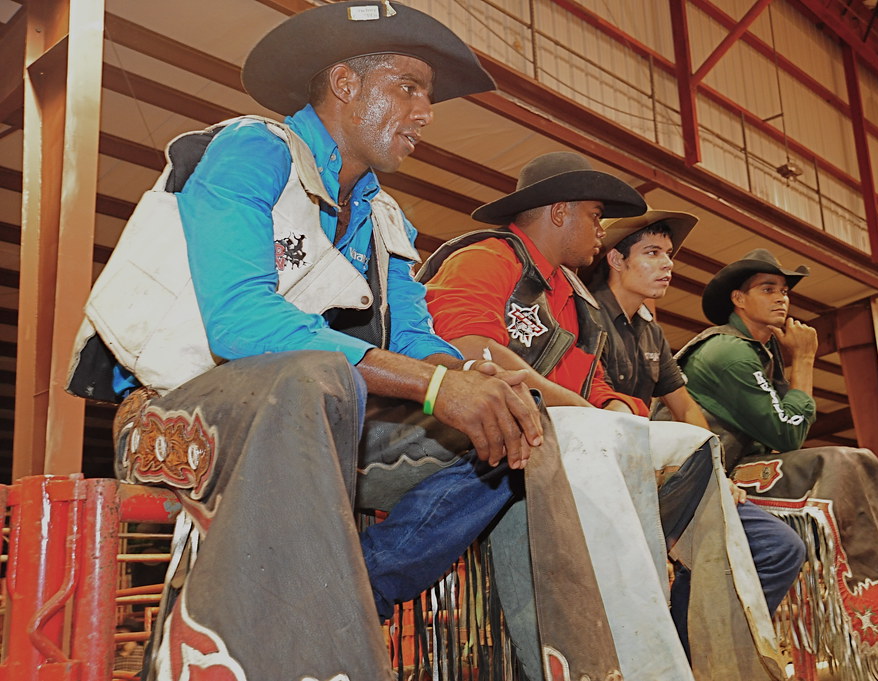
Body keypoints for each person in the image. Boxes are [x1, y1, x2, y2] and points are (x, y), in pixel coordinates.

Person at [64, 5, 617, 681]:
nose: (425, 113)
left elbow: (416, 337)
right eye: (408, 87)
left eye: (427, 98)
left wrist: (470, 380)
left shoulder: (385, 216)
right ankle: (322, 629)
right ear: (345, 83)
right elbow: (240, 320)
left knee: (521, 422)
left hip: (315, 418)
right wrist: (435, 386)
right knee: (315, 373)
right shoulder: (253, 149)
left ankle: (356, 590)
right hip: (169, 412)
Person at [419, 153, 787, 681]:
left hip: (545, 446)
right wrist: (588, 410)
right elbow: (465, 345)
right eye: (595, 215)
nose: (600, 228)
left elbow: (593, 387)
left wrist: (610, 408)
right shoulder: (487, 256)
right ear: (560, 211)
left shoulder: (573, 298)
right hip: (476, 439)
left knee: (698, 473)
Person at [669, 248, 878, 681]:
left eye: (784, 291)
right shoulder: (728, 351)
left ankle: (703, 652)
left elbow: (783, 431)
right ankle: (725, 652)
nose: (781, 298)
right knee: (843, 465)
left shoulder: (760, 350)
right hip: (690, 474)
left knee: (846, 471)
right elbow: (789, 434)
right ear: (738, 299)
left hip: (726, 470)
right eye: (768, 289)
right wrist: (805, 360)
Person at [588, 211, 805, 660]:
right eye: (652, 253)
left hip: (659, 474)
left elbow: (686, 408)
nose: (667, 264)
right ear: (616, 259)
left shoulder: (650, 332)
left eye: (668, 254)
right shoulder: (584, 316)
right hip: (605, 475)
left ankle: (697, 657)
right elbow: (788, 433)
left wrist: (715, 472)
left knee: (780, 547)